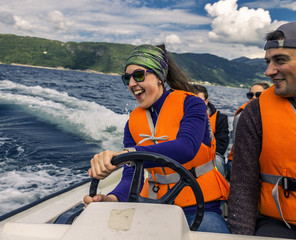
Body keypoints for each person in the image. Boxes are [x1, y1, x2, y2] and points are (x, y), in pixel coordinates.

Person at [83, 44, 230, 233]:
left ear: (160, 77)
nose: (131, 83)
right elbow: (130, 175)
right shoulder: (133, 122)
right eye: (127, 78)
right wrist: (113, 199)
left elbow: (187, 147)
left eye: (138, 75)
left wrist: (129, 154)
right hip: (153, 205)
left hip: (200, 206)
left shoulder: (192, 104)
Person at [228, 21, 296, 238]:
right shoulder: (255, 112)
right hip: (277, 224)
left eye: (280, 60)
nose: (268, 72)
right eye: (268, 62)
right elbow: (243, 188)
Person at [226, 81, 269, 180]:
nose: (253, 97)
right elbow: (241, 151)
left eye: (258, 94)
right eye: (250, 95)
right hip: (238, 164)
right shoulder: (242, 116)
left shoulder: (270, 114)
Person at [192, 84, 229, 178]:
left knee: (217, 163)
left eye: (199, 101)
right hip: (188, 152)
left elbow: (222, 144)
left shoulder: (220, 118)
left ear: (207, 101)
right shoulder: (180, 116)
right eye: (192, 100)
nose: (195, 104)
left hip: (212, 154)